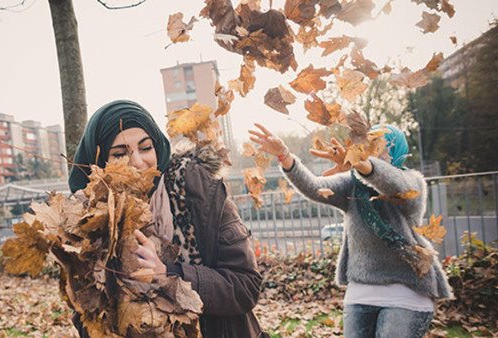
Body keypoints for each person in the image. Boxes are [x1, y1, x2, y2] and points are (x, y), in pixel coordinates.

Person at [68, 100, 267, 338]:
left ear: (158, 148)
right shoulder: (90, 220)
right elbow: (87, 318)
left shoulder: (197, 189)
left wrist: (169, 274)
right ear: (99, 163)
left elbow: (245, 287)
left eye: (145, 148)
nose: (138, 162)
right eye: (119, 154)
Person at [248, 123, 452, 338]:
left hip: (407, 294)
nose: (373, 151)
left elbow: (395, 185)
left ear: (396, 150)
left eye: (381, 145)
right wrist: (284, 155)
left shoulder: (412, 181)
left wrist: (363, 165)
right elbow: (315, 187)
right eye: (368, 145)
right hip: (360, 294)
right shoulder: (352, 184)